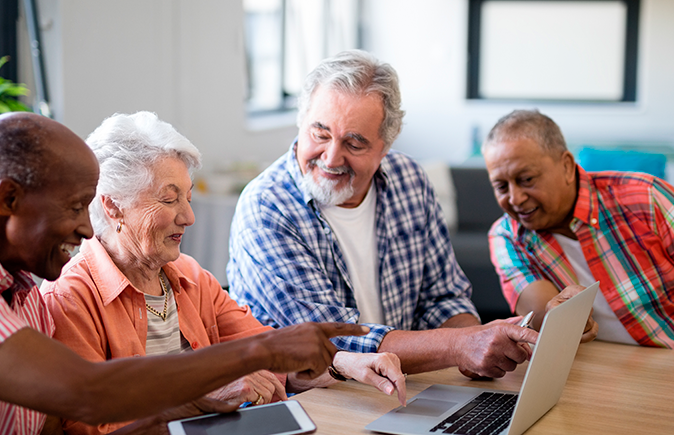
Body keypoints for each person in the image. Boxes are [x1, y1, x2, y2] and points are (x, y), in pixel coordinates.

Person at [0, 112, 370, 435]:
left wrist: (191, 407)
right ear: (9, 200)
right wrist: (259, 352)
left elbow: (58, 424)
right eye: (77, 207)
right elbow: (88, 394)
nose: (84, 226)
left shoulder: (22, 291)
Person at [40, 111, 406, 434]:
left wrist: (346, 362)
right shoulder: (70, 298)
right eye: (169, 200)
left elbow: (269, 352)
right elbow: (89, 427)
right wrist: (200, 393)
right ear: (113, 207)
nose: (188, 217)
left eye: (188, 197)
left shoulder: (189, 276)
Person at [227, 49, 538, 380]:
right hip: (313, 399)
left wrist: (475, 347)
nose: (331, 158)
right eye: (320, 134)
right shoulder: (266, 207)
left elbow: (442, 297)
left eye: (354, 143)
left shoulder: (410, 179)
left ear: (384, 147)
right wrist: (460, 345)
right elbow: (331, 339)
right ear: (301, 123)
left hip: (401, 388)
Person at [483, 109, 674, 358]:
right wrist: (561, 319)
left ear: (566, 166)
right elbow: (544, 315)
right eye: (501, 187)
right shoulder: (507, 236)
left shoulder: (646, 198)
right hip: (605, 381)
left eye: (526, 179)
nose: (515, 199)